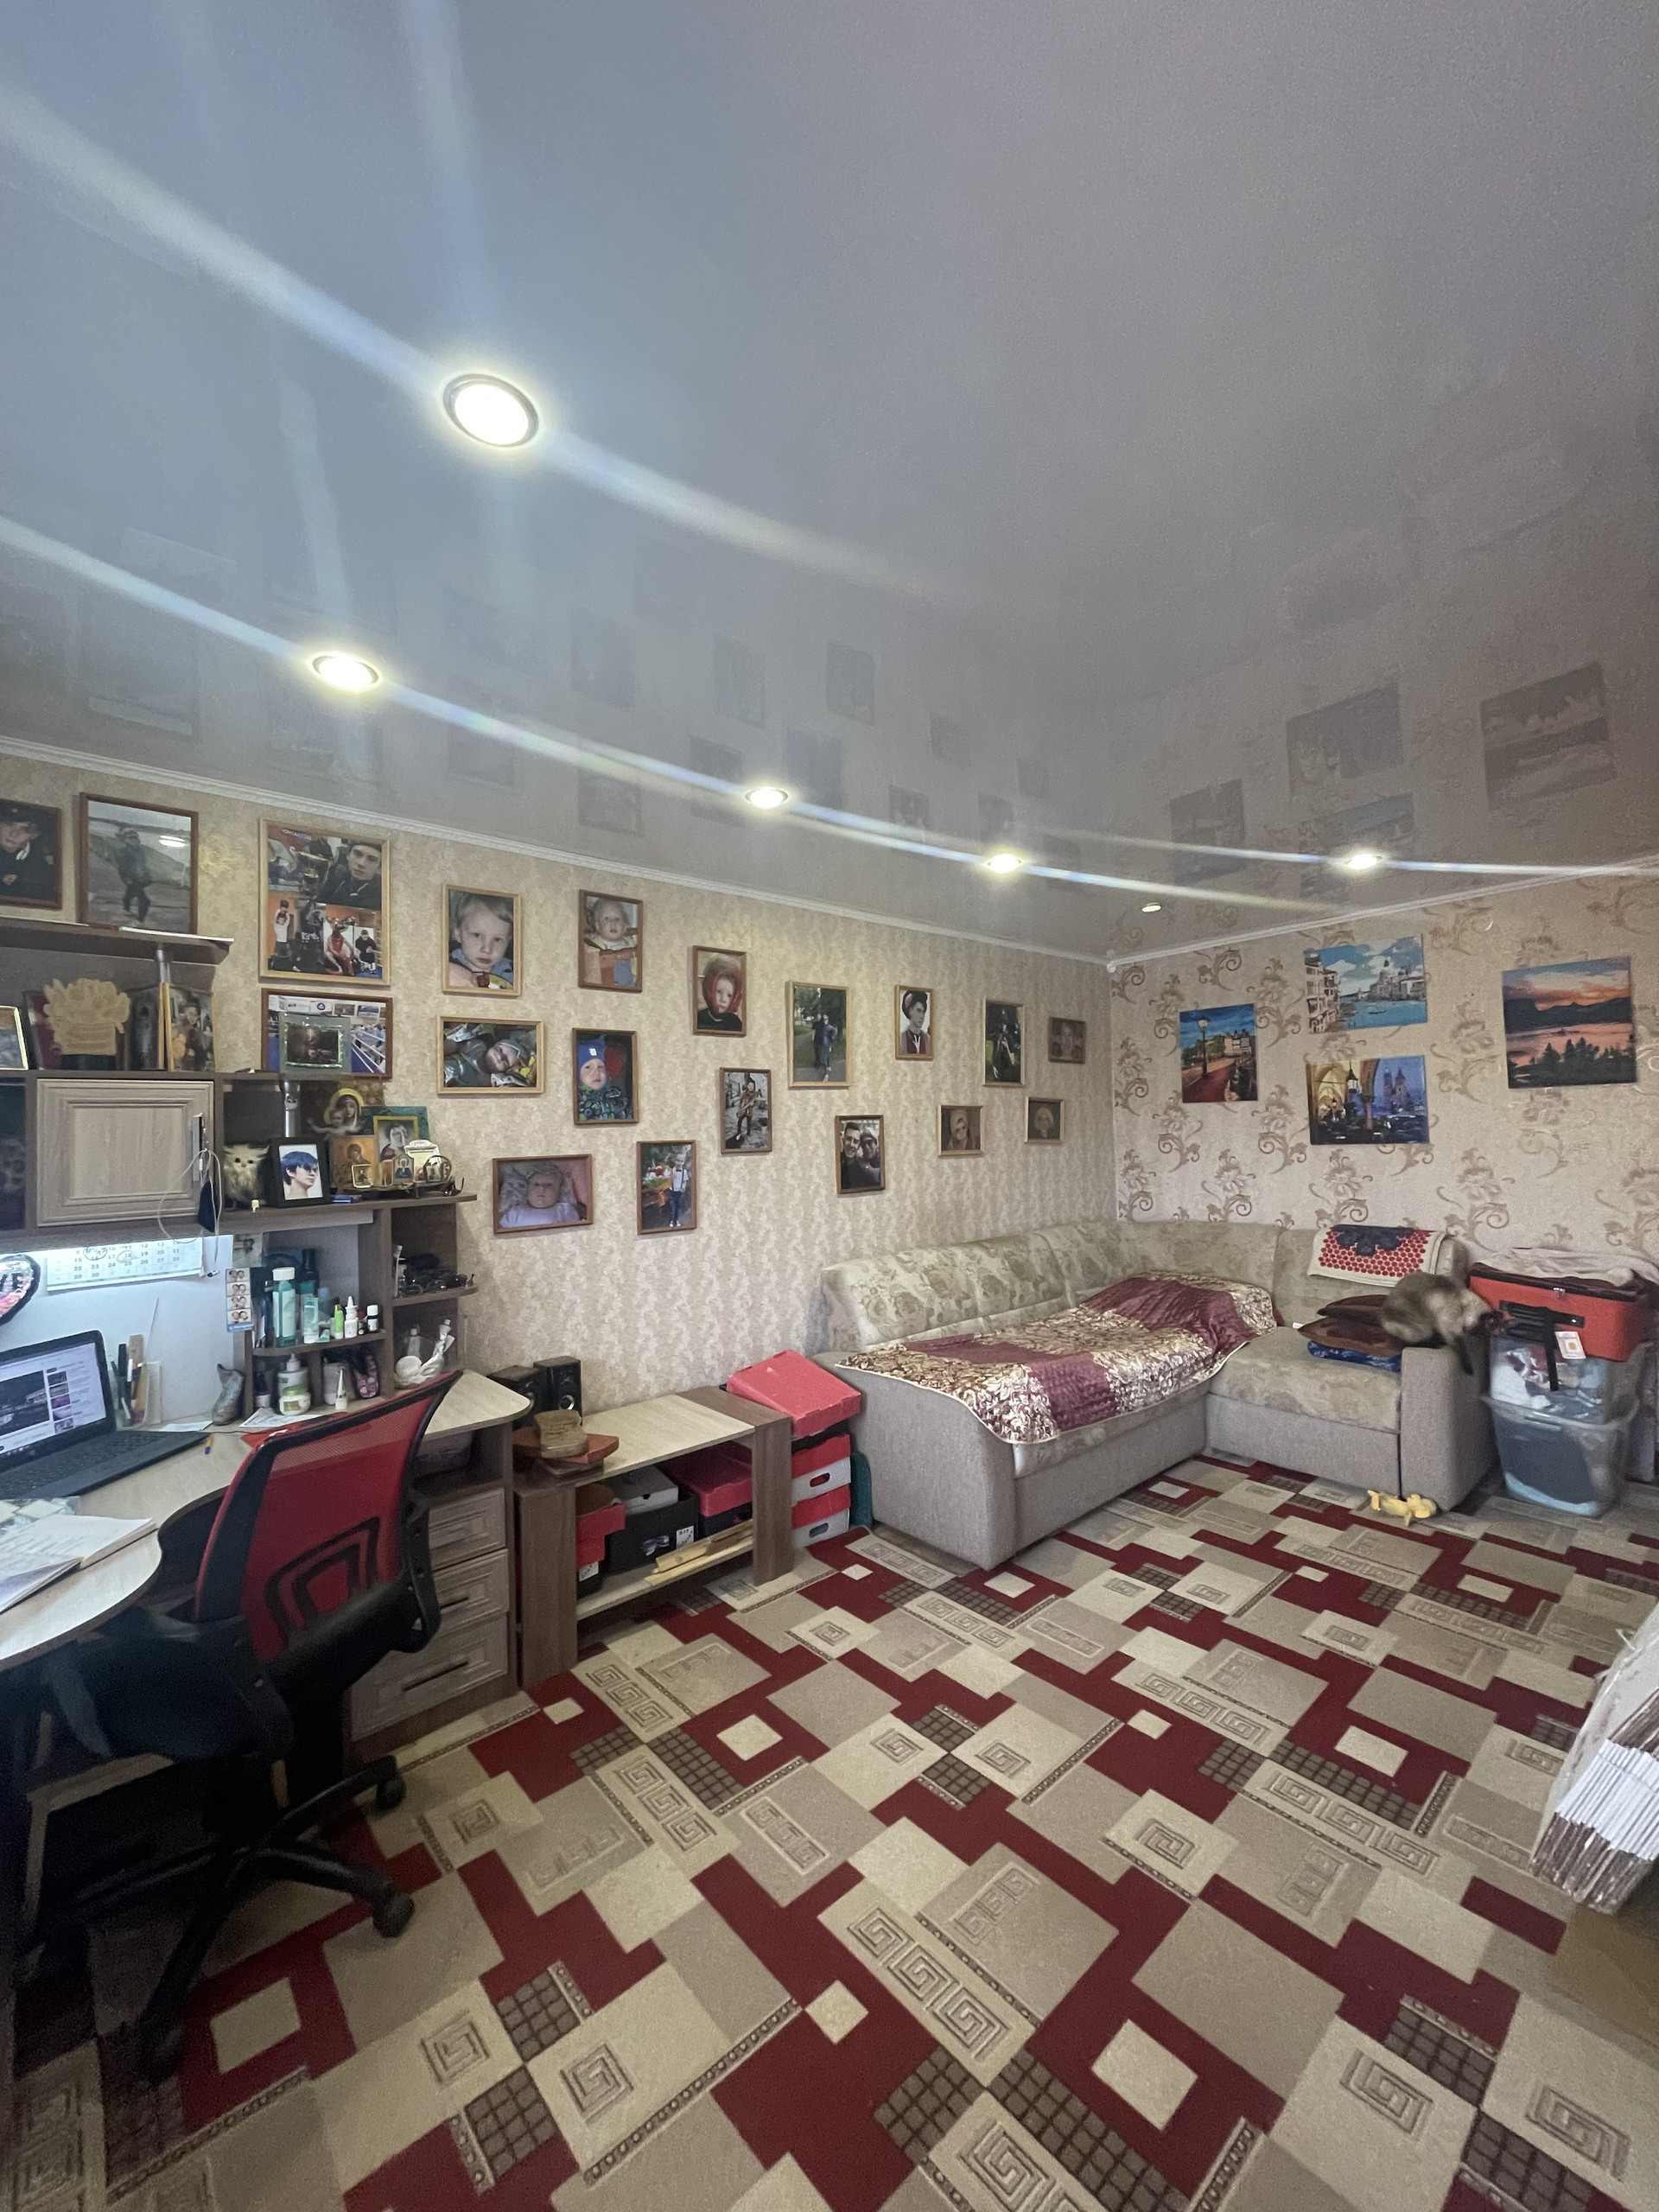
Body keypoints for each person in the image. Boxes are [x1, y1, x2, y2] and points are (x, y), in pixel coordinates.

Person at [447, 893, 516, 990]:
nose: (487, 950)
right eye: (477, 935)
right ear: (457, 932)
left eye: (497, 939)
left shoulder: (514, 972)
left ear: (508, 940)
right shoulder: (446, 964)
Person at [499, 1162, 583, 1229]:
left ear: (559, 1191)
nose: (542, 1189)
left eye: (549, 1185)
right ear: (527, 1190)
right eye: (536, 1184)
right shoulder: (515, 1213)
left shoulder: (564, 1210)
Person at [445, 1026, 534, 1088]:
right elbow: (452, 1045)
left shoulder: (493, 1079)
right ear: (494, 1044)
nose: (499, 1057)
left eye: (506, 1061)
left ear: (508, 1069)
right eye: (500, 1050)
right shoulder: (477, 1047)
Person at [581, 896, 639, 989]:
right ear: (598, 926)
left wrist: (636, 979)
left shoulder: (630, 943)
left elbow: (636, 965)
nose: (613, 923)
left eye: (617, 919)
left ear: (624, 926)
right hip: (607, 982)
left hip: (630, 985)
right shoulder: (595, 943)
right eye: (607, 919)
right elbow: (592, 966)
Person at [0, 809, 57, 903]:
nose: (14, 834)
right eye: (9, 824)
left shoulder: (44, 871)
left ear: (34, 835)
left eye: (25, 829)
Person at [575, 1036, 632, 1120]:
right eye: (588, 1067)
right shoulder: (577, 1102)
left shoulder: (618, 1100)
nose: (596, 1072)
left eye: (600, 1067)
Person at [320, 837, 382, 912]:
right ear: (348, 855)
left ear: (379, 866)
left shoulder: (382, 895)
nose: (361, 863)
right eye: (357, 854)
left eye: (372, 860)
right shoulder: (337, 878)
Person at [111, 823, 152, 922]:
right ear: (126, 840)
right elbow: (121, 867)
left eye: (135, 837)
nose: (134, 840)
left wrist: (146, 873)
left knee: (130, 894)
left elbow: (142, 863)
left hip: (140, 878)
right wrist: (126, 878)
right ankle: (140, 921)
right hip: (132, 879)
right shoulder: (123, 852)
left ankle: (126, 909)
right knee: (145, 901)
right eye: (131, 838)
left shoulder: (140, 851)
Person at [696, 957, 744, 1033]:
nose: (723, 999)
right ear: (709, 989)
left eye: (729, 995)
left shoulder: (735, 1023)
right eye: (719, 992)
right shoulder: (699, 1018)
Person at [728, 1072, 761, 1148]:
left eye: (752, 1086)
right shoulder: (744, 1093)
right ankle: (739, 1132)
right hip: (743, 1110)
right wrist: (741, 1106)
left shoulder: (755, 1094)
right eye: (749, 1086)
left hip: (749, 1111)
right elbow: (741, 1101)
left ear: (754, 1086)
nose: (751, 1087)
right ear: (747, 1086)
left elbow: (757, 1103)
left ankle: (748, 1132)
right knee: (739, 1121)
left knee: (749, 1122)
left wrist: (753, 1104)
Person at [666, 1147, 692, 1227]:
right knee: (672, 1207)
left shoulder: (684, 1172)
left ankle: (677, 1220)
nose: (679, 1163)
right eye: (678, 1160)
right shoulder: (671, 1171)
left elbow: (684, 1181)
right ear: (674, 1160)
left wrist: (683, 1187)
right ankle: (672, 1220)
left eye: (682, 1161)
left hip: (680, 1192)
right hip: (672, 1191)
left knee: (678, 1207)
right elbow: (668, 1181)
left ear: (684, 1162)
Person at [899, 991, 930, 1055]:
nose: (922, 1016)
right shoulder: (901, 1038)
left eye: (923, 1012)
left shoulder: (928, 1039)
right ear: (910, 1011)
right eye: (918, 1011)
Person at [812, 1010, 836, 1078]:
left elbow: (832, 1036)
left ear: (828, 1020)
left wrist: (830, 1045)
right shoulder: (822, 1026)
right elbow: (815, 1032)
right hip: (821, 1044)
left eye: (826, 1019)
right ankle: (826, 1072)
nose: (825, 1020)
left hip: (826, 1044)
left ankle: (826, 1071)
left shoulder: (829, 1027)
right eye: (824, 1019)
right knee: (823, 1057)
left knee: (826, 1057)